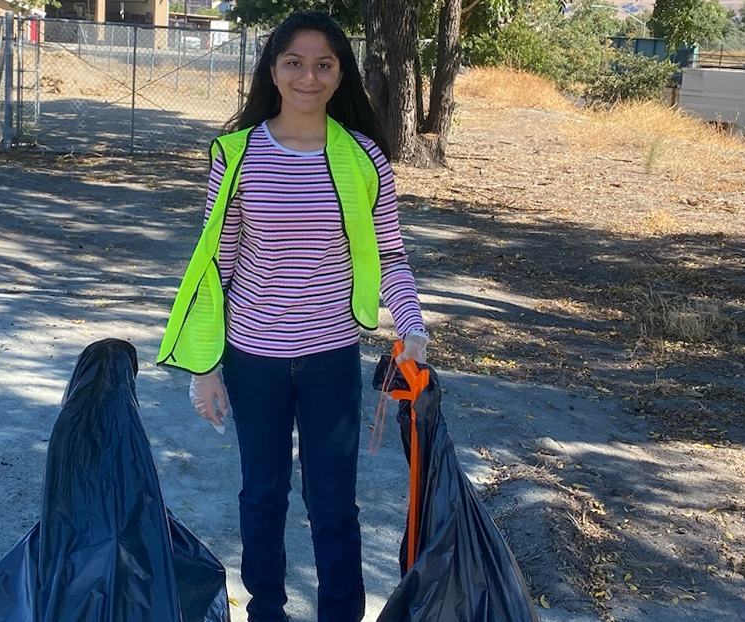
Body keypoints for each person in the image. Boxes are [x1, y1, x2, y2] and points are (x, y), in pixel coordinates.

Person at [157, 11, 429, 622]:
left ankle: (341, 613)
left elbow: (390, 255)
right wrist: (205, 369)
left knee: (334, 505)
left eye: (323, 64)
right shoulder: (236, 155)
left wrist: (410, 324)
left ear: (340, 73)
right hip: (254, 359)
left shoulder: (364, 158)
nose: (309, 76)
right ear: (273, 71)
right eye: (294, 63)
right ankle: (267, 611)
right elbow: (217, 267)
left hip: (332, 356)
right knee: (262, 495)